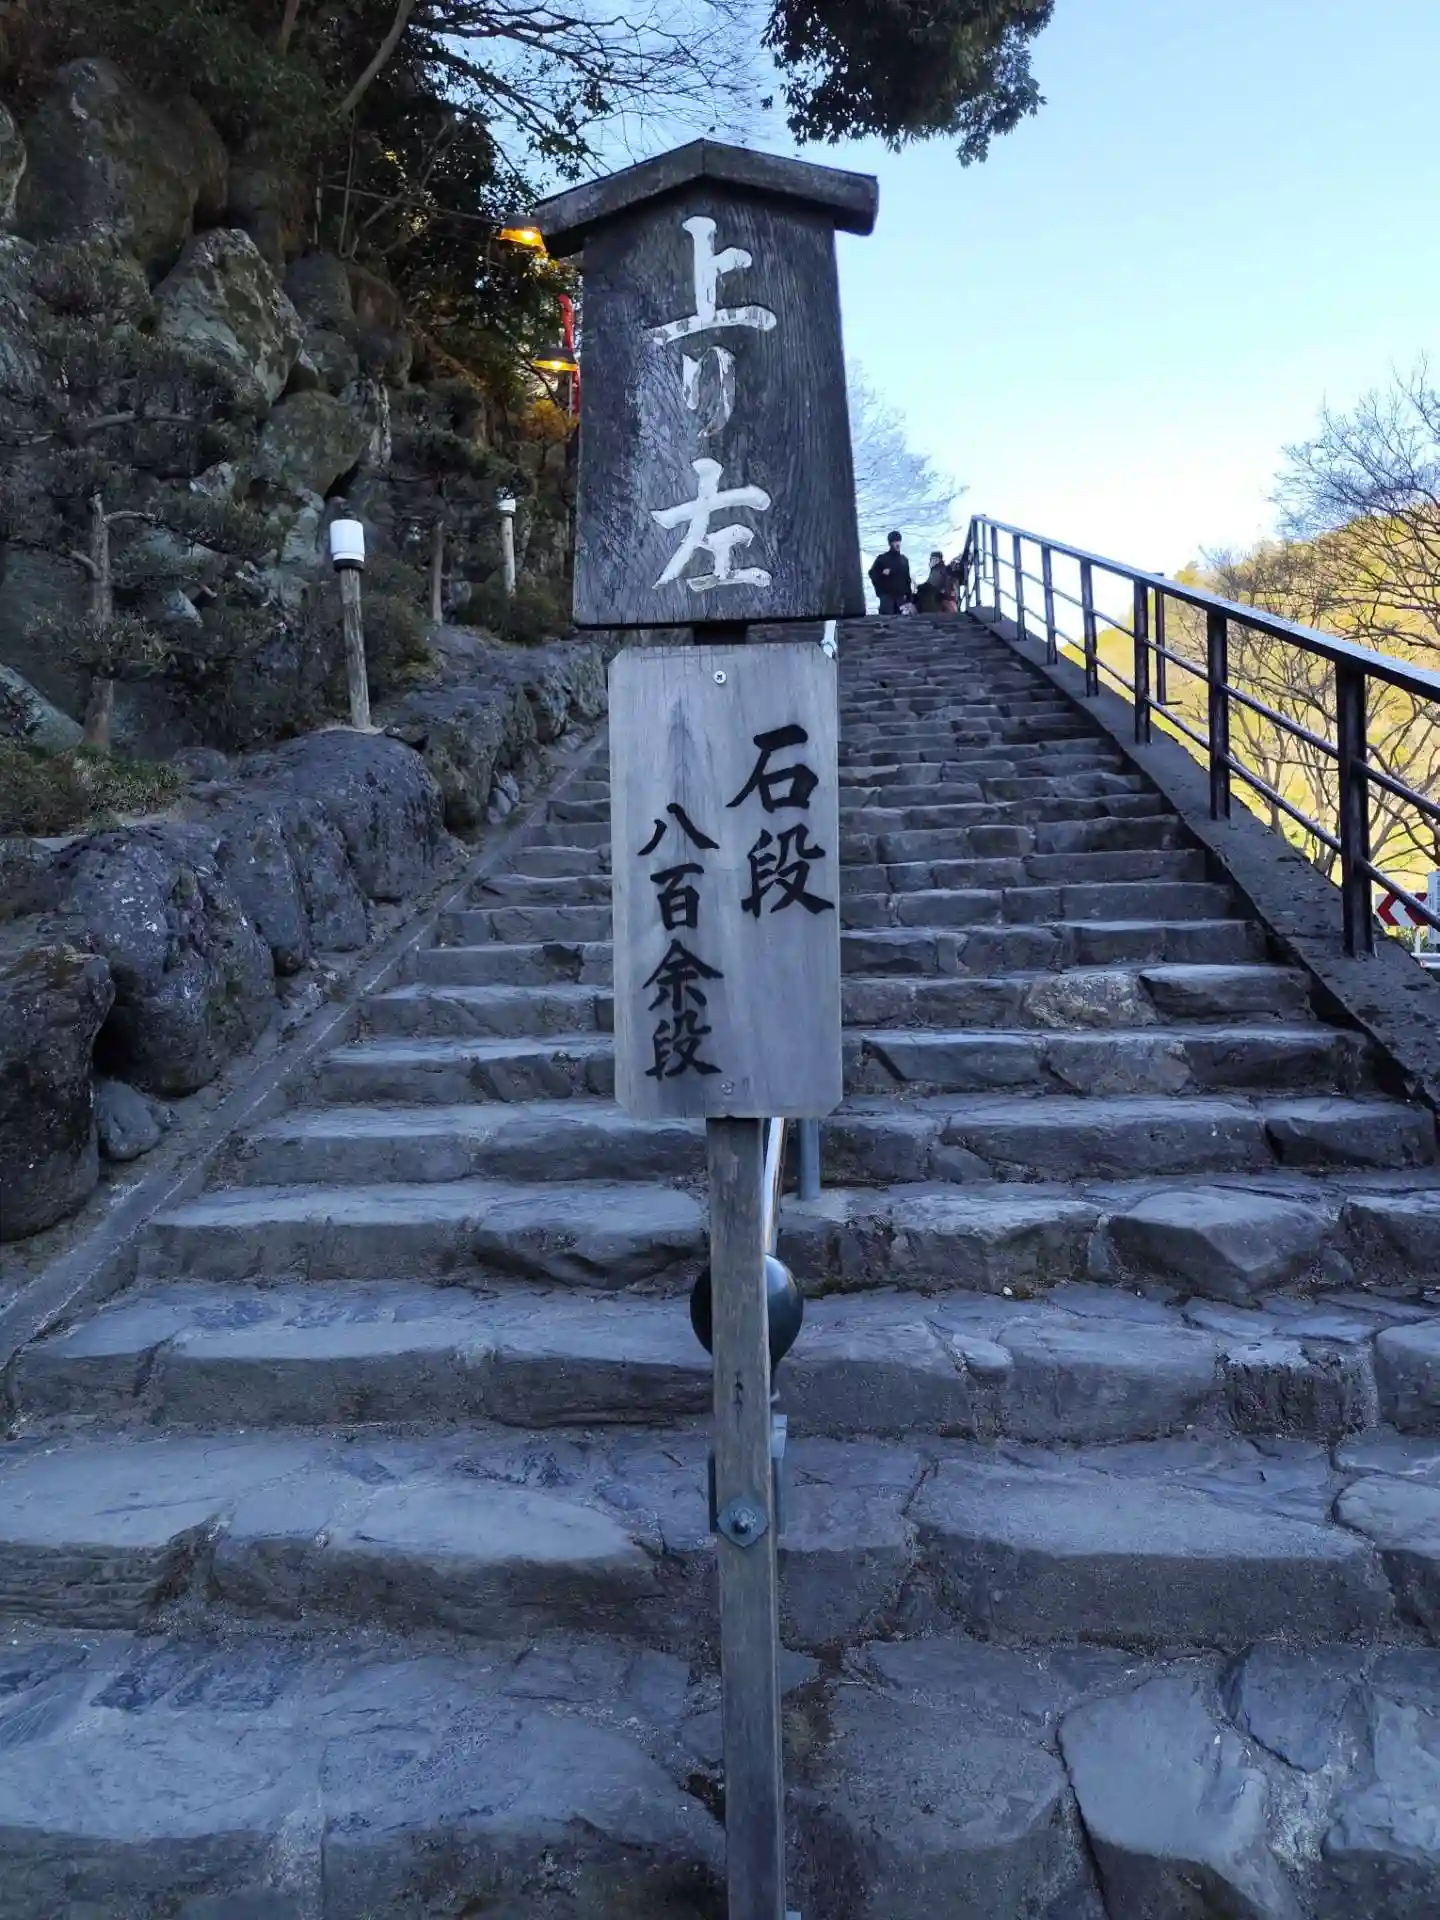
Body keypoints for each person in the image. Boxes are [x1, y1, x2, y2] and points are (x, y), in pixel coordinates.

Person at [868, 532, 912, 615]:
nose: (897, 543)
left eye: (898, 541)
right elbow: (872, 574)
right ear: (890, 543)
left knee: (902, 621)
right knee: (886, 620)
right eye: (894, 541)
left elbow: (907, 580)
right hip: (887, 600)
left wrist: (909, 598)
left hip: (901, 600)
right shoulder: (882, 558)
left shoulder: (904, 560)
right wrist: (882, 574)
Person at [915, 550, 954, 615]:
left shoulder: (938, 570)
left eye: (931, 559)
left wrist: (920, 587)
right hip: (941, 597)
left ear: (936, 560)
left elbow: (931, 585)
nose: (930, 562)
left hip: (937, 600)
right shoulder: (941, 569)